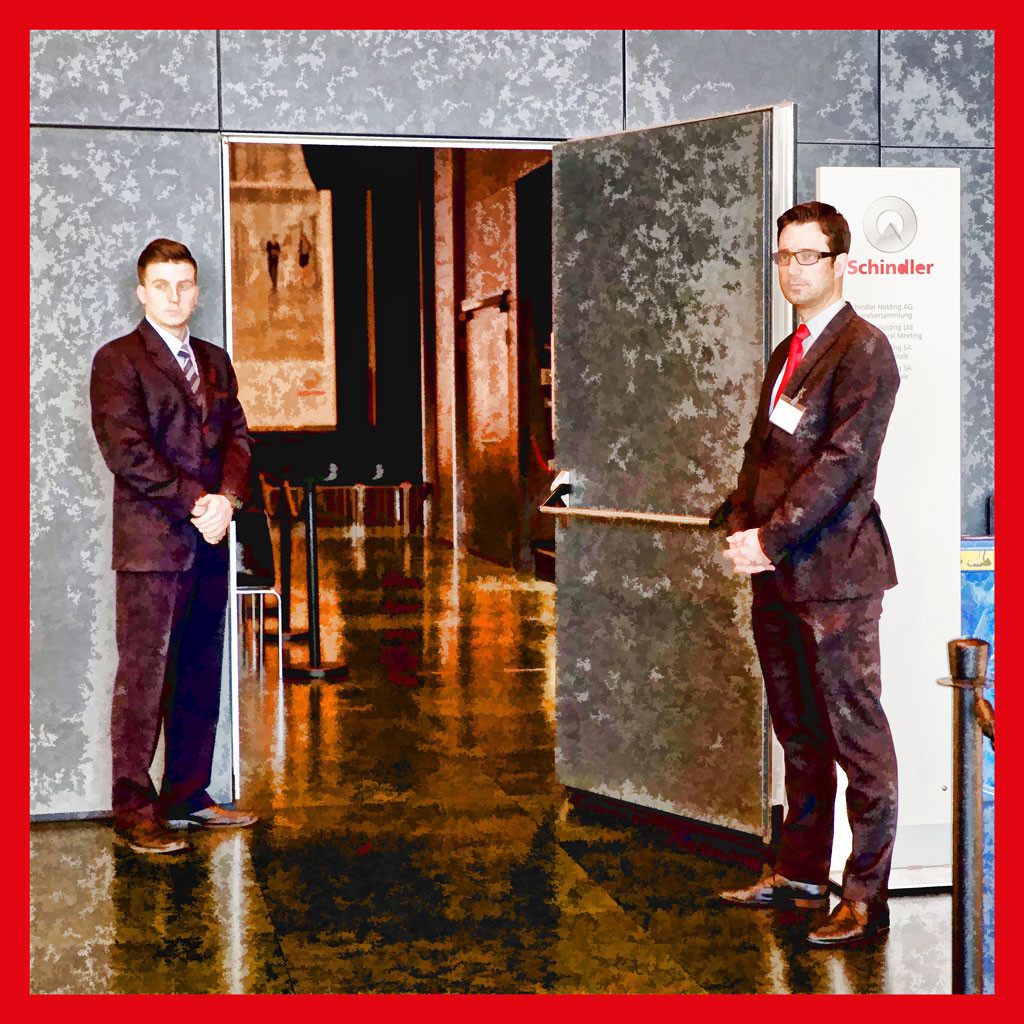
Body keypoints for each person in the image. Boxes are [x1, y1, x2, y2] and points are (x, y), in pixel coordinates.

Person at [711, 202, 900, 947]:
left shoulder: (864, 349)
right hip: (778, 572)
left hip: (836, 578)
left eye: (808, 256)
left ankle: (865, 897)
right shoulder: (789, 350)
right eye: (784, 256)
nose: (793, 269)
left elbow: (843, 465)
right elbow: (762, 454)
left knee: (858, 740)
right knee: (799, 735)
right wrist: (741, 527)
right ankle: (799, 874)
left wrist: (771, 539)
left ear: (841, 263)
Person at [90, 238, 259, 854]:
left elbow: (239, 438)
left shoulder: (214, 360)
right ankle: (134, 810)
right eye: (161, 285)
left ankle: (187, 793)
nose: (174, 296)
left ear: (196, 291)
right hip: (152, 549)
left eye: (184, 284)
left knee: (199, 672)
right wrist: (199, 502)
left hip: (210, 541)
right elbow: (127, 452)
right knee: (143, 679)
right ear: (142, 292)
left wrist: (228, 501)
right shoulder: (118, 361)